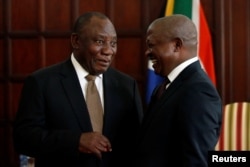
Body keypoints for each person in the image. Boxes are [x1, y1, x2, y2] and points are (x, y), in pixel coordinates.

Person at [13, 12, 143, 167]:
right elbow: (23, 139)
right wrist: (75, 141)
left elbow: (138, 142)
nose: (108, 51)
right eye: (100, 41)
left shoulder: (127, 86)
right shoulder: (42, 82)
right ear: (76, 41)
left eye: (113, 43)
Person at [135, 14, 222, 167]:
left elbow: (196, 161)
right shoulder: (165, 86)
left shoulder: (199, 91)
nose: (147, 52)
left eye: (152, 45)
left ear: (176, 45)